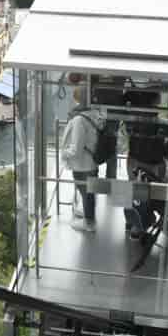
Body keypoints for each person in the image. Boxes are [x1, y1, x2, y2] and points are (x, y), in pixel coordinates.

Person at [59, 87, 113, 232]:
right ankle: (88, 216)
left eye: (75, 98)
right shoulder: (95, 114)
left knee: (86, 193)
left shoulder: (79, 120)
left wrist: (64, 153)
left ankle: (89, 223)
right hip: (92, 163)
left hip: (82, 165)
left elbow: (76, 150)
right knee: (89, 193)